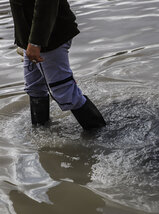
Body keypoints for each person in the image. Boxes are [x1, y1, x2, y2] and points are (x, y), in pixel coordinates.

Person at [9, 0, 106, 130]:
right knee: (35, 88)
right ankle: (41, 131)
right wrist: (24, 41)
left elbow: (47, 4)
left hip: (48, 38)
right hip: (33, 37)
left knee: (64, 91)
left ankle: (100, 133)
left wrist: (36, 42)